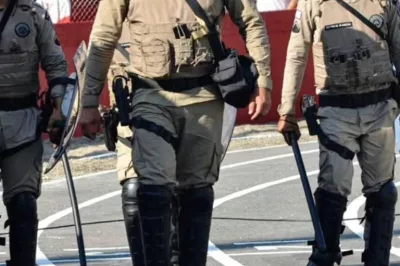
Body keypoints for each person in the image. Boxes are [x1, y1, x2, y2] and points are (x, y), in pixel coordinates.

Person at [79, 0, 273, 265]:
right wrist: (89, 100)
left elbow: (250, 21)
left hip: (204, 97)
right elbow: (103, 36)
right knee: (153, 187)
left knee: (197, 192)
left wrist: (263, 80)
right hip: (150, 94)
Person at [277, 0, 400, 265]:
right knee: (332, 188)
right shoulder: (312, 4)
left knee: (383, 192)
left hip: (379, 107)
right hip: (336, 110)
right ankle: (325, 252)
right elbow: (297, 54)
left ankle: (377, 259)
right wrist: (286, 110)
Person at [0, 0, 69, 265]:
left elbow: (55, 64)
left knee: (24, 206)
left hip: (23, 123)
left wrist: (58, 108)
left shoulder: (33, 14)